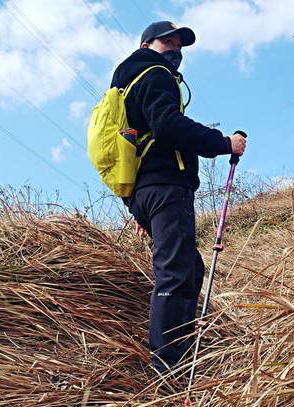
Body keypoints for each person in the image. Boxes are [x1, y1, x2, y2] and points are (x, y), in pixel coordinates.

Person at [110, 21, 247, 380]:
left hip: (146, 190)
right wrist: (223, 143)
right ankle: (168, 371)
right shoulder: (153, 74)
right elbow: (169, 125)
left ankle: (180, 350)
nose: (174, 50)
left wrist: (136, 207)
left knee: (189, 269)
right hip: (166, 186)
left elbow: (132, 142)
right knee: (174, 274)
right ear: (145, 44)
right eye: (166, 42)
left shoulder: (126, 83)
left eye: (179, 45)